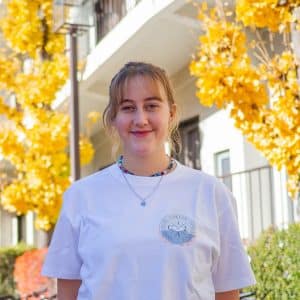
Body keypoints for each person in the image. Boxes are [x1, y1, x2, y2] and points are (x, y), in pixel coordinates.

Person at [42, 62, 256, 300]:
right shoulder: (81, 196)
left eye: (152, 105)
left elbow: (227, 291)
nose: (141, 119)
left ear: (171, 113)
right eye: (128, 108)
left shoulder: (211, 193)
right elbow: (68, 292)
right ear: (113, 118)